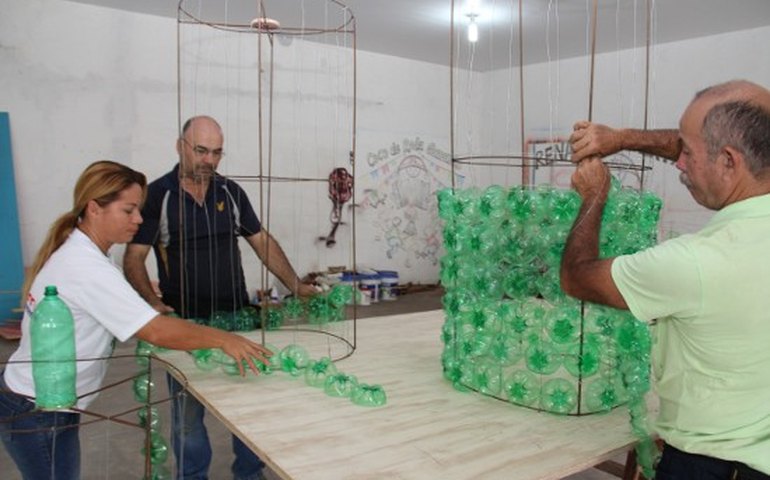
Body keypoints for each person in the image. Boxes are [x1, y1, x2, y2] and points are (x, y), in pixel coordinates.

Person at [0, 160, 272, 480]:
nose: (139, 219)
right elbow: (155, 330)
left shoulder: (85, 251)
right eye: (128, 210)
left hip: (47, 402)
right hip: (35, 410)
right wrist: (225, 339)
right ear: (94, 209)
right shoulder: (85, 266)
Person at [561, 79, 770, 479]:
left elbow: (577, 278)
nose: (679, 161)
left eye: (687, 153)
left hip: (712, 465)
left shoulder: (696, 262)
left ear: (729, 161)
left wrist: (593, 198)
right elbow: (704, 145)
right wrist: (618, 138)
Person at [124, 116, 316, 480]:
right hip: (187, 328)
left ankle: (249, 474)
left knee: (248, 409)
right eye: (200, 150)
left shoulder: (230, 192)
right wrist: (152, 302)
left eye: (216, 153)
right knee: (188, 418)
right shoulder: (158, 197)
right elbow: (134, 257)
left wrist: (295, 284)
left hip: (237, 321)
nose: (209, 161)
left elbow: (262, 242)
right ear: (180, 146)